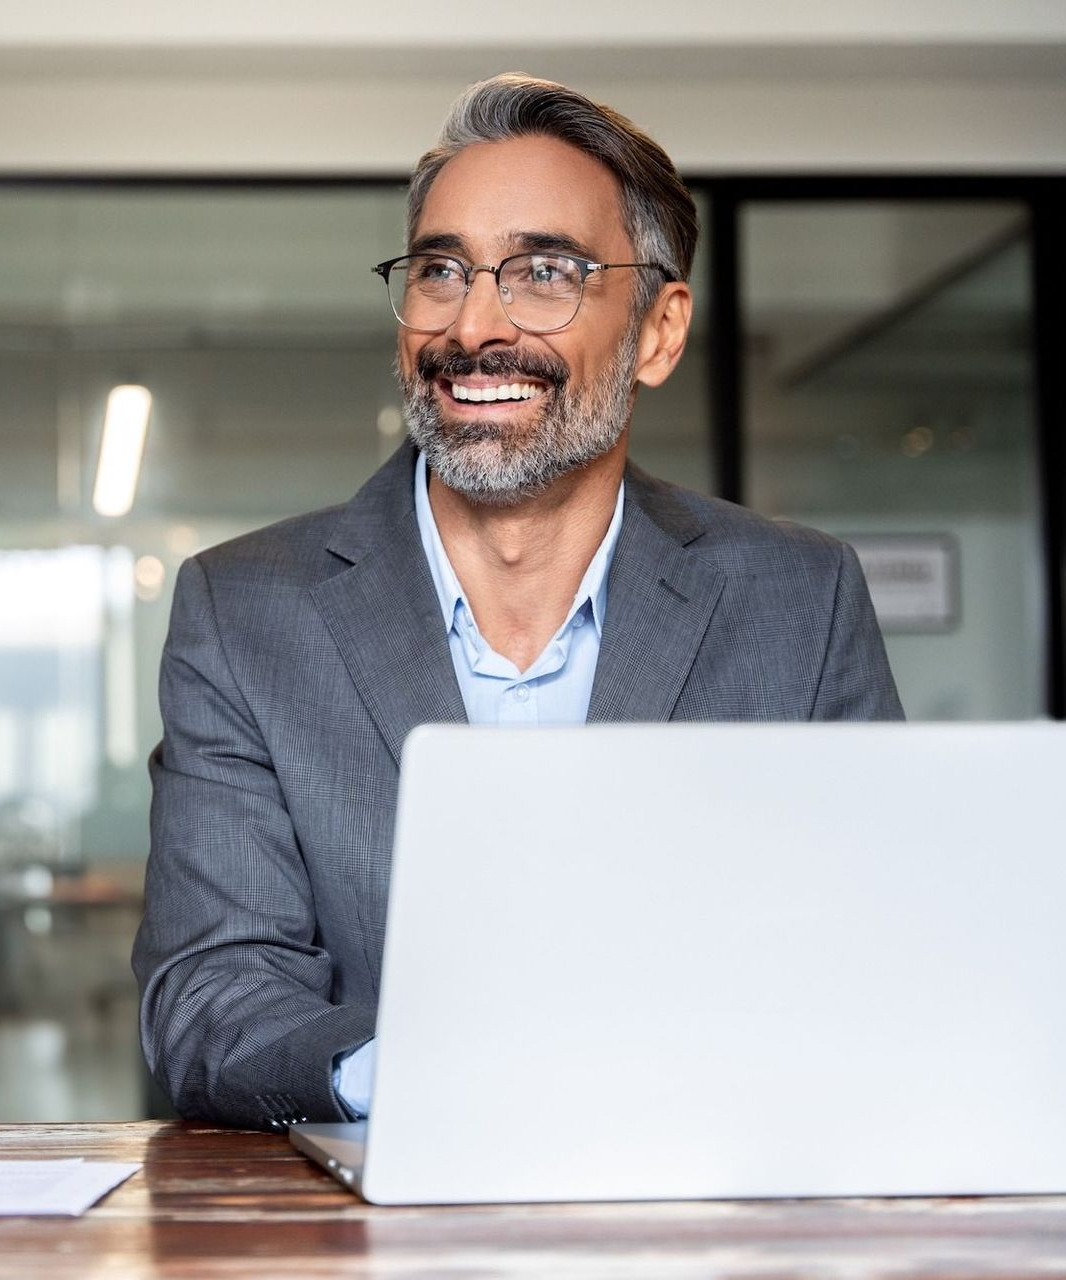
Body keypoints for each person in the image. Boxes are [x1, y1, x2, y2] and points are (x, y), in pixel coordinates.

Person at [133, 74, 903, 1130]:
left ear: (657, 331)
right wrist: (430, 1084)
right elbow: (209, 996)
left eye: (544, 271)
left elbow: (874, 958)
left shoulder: (798, 599)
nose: (474, 324)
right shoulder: (244, 610)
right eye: (441, 269)